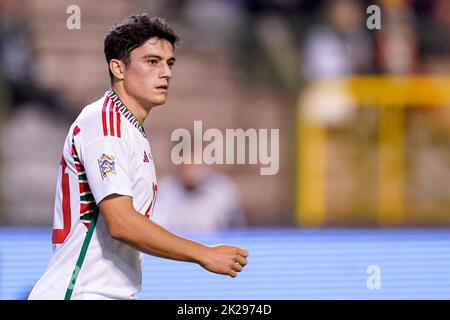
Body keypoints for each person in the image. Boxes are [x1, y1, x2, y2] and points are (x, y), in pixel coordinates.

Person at [28, 13, 248, 300]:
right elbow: (122, 223)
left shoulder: (129, 129)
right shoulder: (104, 126)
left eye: (170, 63)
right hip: (80, 292)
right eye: (152, 61)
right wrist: (202, 253)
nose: (166, 73)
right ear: (118, 68)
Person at [153, 163, 246, 233]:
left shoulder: (223, 189)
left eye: (194, 163)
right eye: (185, 164)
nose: (190, 170)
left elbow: (235, 230)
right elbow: (156, 229)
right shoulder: (163, 188)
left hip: (213, 251)